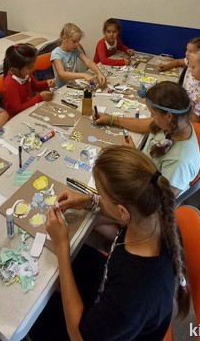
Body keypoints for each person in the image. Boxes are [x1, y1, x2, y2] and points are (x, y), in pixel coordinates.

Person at [28, 145, 190, 341]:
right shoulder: (155, 212)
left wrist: (62, 245)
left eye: (101, 195)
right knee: (73, 259)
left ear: (122, 211)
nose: (98, 198)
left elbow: (78, 336)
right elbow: (125, 213)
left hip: (106, 323)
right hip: (115, 285)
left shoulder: (133, 294)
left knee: (33, 318)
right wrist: (89, 201)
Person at [95, 82, 200, 196]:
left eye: (152, 113)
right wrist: (111, 119)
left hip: (148, 192)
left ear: (169, 116)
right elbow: (142, 125)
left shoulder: (179, 162)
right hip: (142, 168)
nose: (151, 117)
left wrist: (134, 156)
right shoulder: (177, 122)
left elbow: (161, 199)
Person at [3, 43, 55, 117]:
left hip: (29, 110)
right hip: (18, 117)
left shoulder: (25, 73)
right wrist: (40, 97)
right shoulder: (10, 84)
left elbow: (35, 86)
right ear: (15, 68)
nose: (33, 69)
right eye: (29, 67)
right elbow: (17, 110)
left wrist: (46, 83)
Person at [51, 23, 106, 89]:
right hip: (60, 88)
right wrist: (84, 75)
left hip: (73, 85)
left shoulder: (75, 49)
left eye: (78, 41)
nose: (77, 44)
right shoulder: (56, 53)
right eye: (74, 41)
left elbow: (88, 62)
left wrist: (99, 73)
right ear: (64, 38)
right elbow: (62, 74)